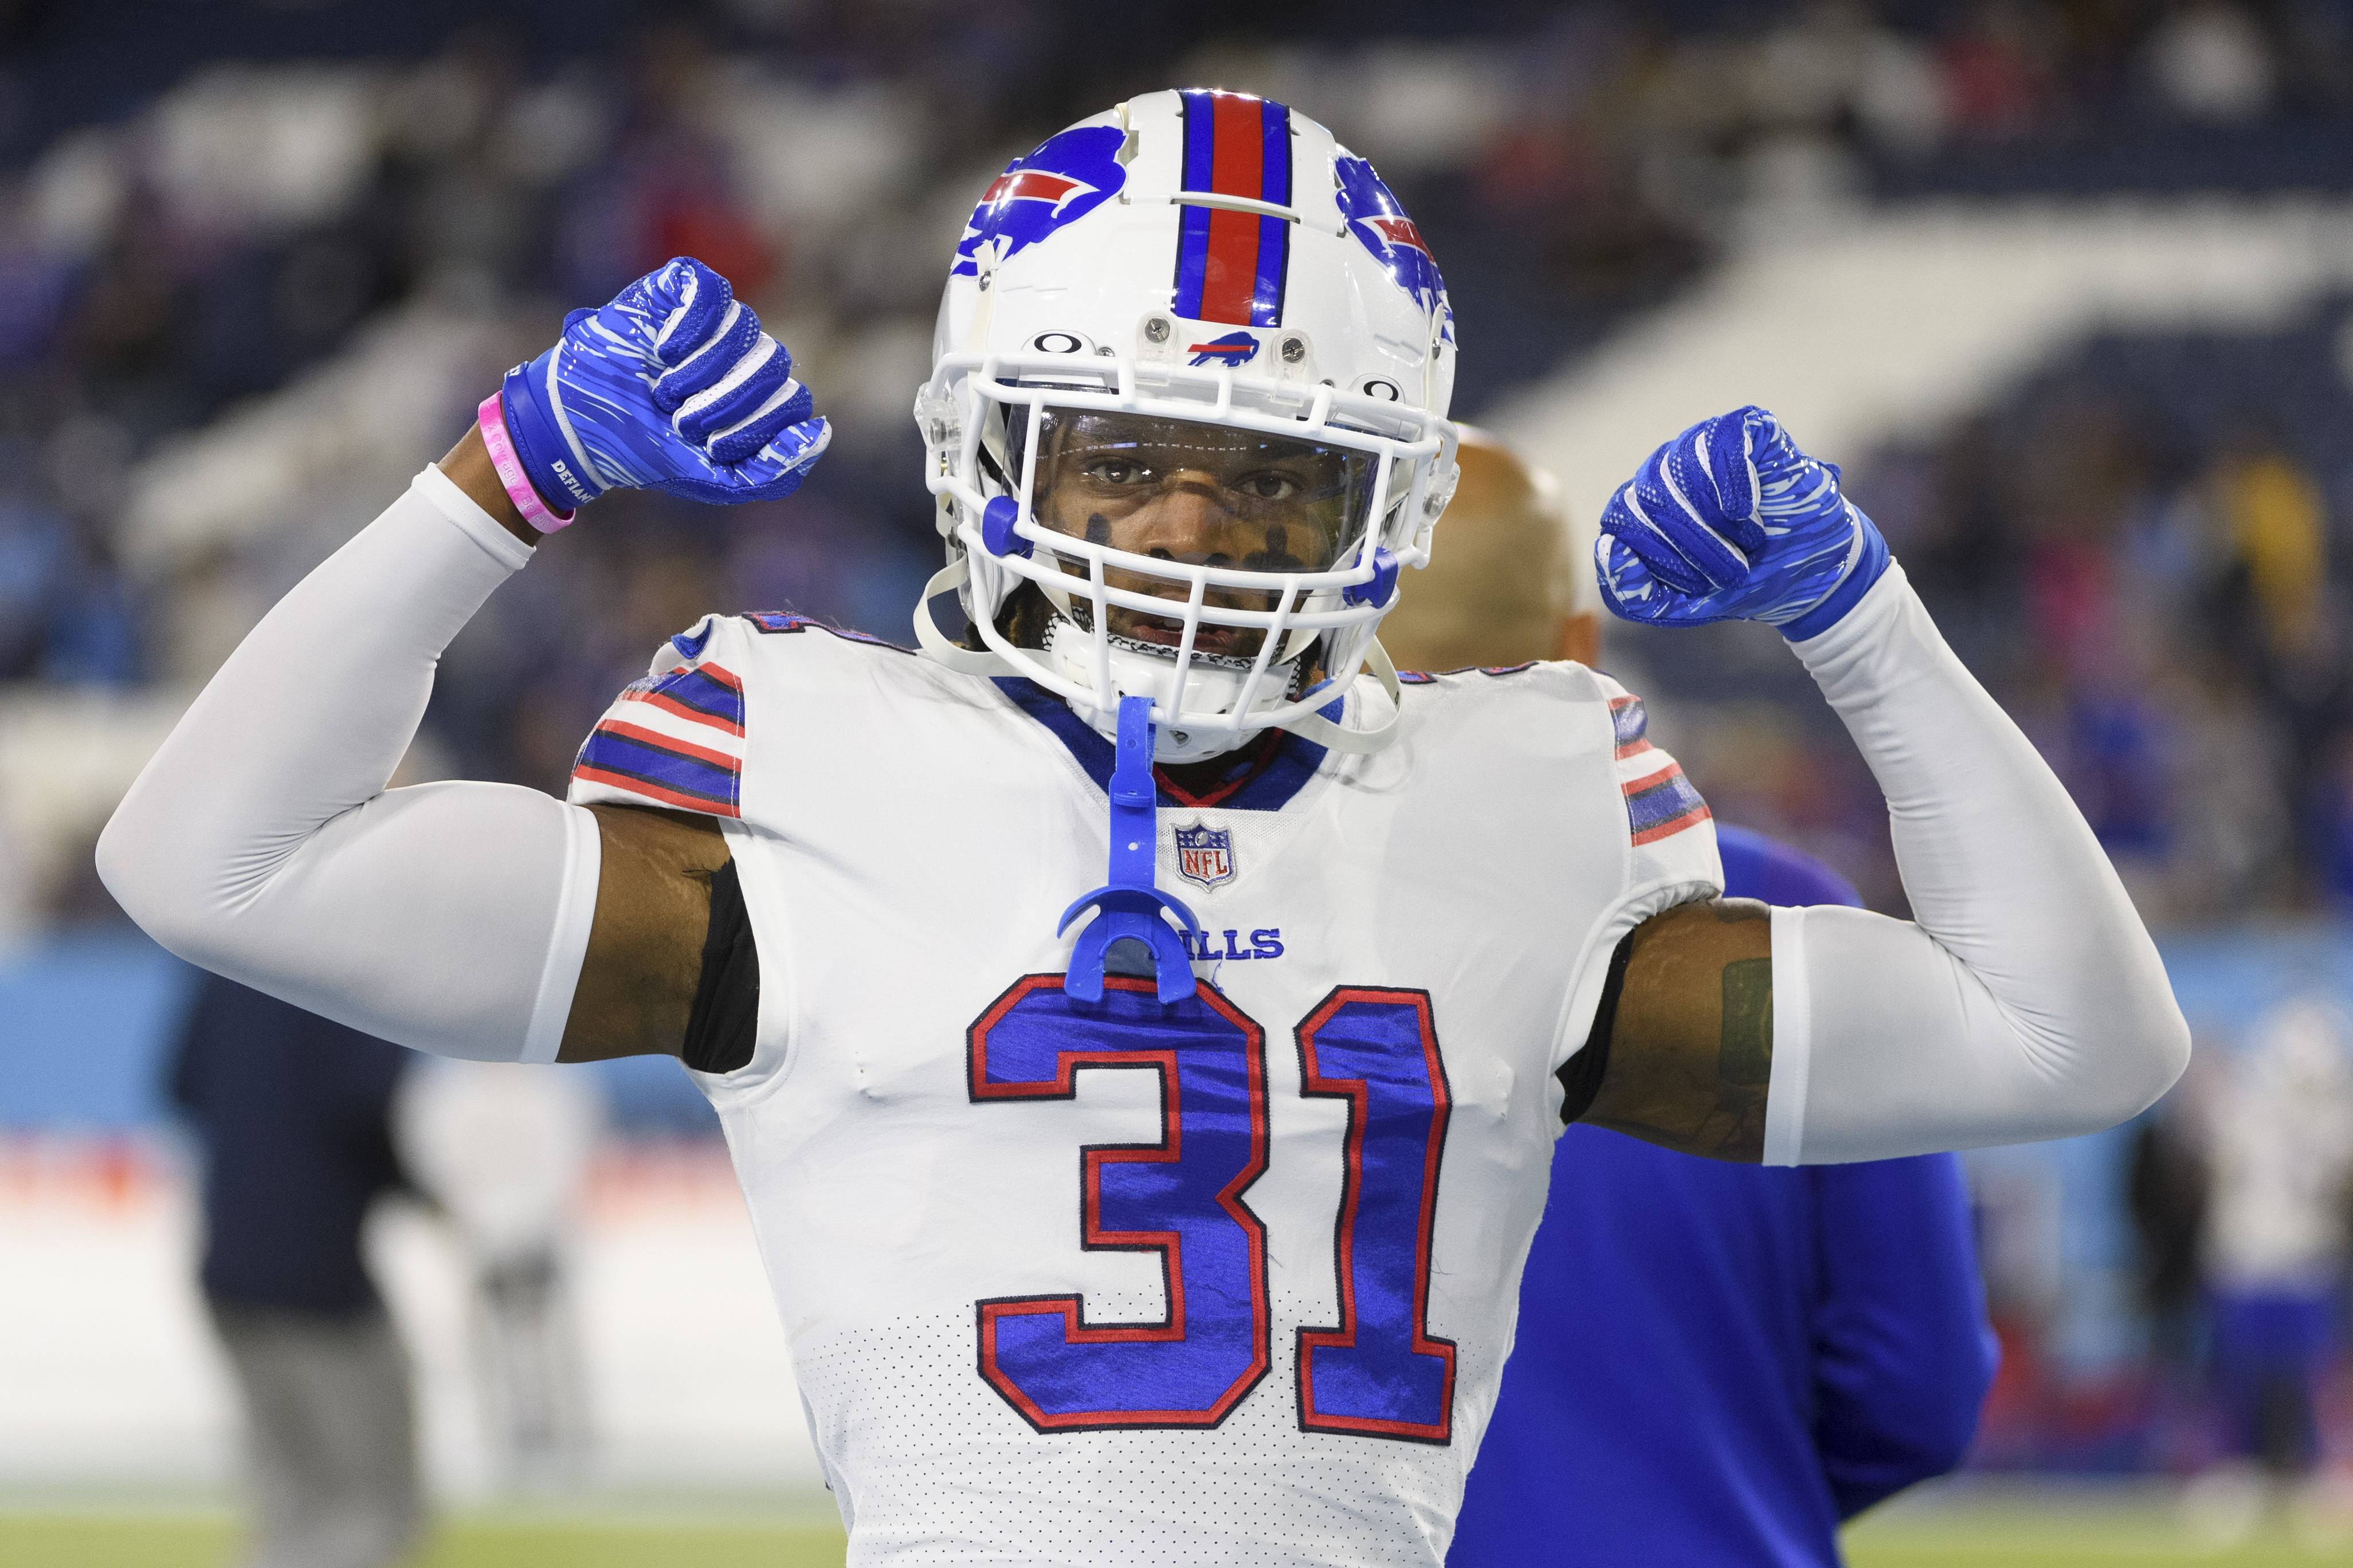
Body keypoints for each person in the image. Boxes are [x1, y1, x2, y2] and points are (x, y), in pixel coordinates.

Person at [100, 89, 2186, 1564]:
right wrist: (501, 472)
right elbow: (209, 858)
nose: (1188, 522)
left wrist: (1862, 614)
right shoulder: (814, 771)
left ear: (1376, 504)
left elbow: (2074, 1041)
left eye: (1262, 477)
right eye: (1123, 458)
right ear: (1000, 451)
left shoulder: (1517, 807)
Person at [1380, 430, 1995, 1567]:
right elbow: (1921, 1389)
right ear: (1581, 646)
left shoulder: (1205, 921)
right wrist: (1708, 1491)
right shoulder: (1776, 914)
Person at [166, 972, 423, 1568]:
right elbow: (365, 1103)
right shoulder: (353, 981)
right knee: (366, 1511)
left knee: (289, 1503)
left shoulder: (229, 969)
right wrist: (425, 1190)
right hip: (318, 1279)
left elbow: (181, 1083)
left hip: (228, 1265)